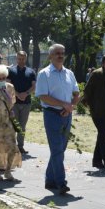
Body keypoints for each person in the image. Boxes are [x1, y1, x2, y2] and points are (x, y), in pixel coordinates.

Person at [35, 44, 79, 194]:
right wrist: (63, 105)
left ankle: (50, 179)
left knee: (60, 149)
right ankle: (61, 183)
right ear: (50, 56)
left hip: (67, 115)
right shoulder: (44, 74)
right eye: (57, 53)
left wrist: (70, 107)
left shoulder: (69, 73)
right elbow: (43, 96)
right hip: (52, 115)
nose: (60, 55)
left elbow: (76, 93)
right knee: (56, 149)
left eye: (62, 53)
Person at [82, 52, 105, 170]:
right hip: (98, 110)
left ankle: (97, 161)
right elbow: (87, 91)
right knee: (104, 136)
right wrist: (90, 105)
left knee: (103, 135)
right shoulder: (97, 74)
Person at [7, 51, 36, 154]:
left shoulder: (31, 72)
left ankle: (20, 146)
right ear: (16, 59)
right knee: (14, 125)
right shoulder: (11, 71)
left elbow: (34, 86)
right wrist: (18, 94)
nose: (21, 60)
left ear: (26, 59)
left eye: (23, 59)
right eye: (19, 58)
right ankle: (12, 146)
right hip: (14, 102)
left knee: (22, 126)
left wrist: (26, 93)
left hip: (26, 103)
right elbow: (8, 85)